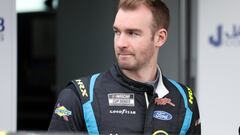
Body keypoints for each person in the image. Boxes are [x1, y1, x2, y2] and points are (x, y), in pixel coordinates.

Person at [48, 0, 201, 134]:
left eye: (133, 33)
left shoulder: (184, 101)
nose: (121, 43)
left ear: (159, 38)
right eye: (117, 32)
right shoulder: (79, 96)